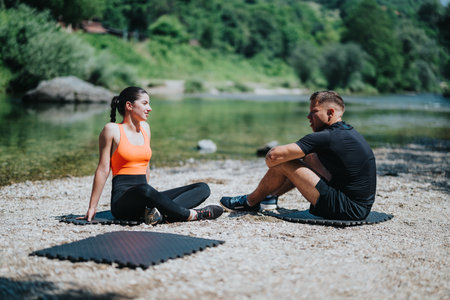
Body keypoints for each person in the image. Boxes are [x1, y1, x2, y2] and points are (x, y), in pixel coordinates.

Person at [220, 90, 376, 220]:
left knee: (283, 162)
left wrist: (283, 166)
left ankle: (250, 201)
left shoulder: (327, 136)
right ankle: (270, 196)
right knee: (309, 156)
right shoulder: (347, 132)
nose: (308, 117)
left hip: (346, 209)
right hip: (360, 207)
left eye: (314, 112)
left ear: (330, 113)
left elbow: (273, 157)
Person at [78, 86, 223, 225]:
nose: (149, 108)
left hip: (145, 197)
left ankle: (159, 215)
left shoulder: (145, 129)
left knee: (202, 188)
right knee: (145, 190)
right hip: (123, 203)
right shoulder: (112, 130)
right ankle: (192, 215)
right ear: (130, 106)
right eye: (145, 103)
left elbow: (146, 168)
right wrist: (92, 207)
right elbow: (103, 169)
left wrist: (151, 202)